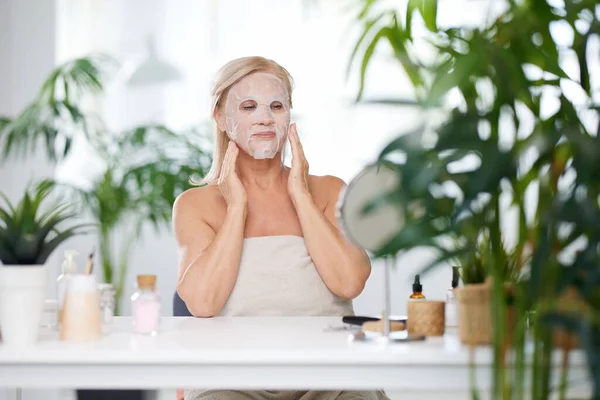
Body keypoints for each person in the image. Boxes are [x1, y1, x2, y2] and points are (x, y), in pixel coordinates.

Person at [172, 56, 388, 400]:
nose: (264, 118)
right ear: (221, 118)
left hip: (330, 374)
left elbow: (349, 282)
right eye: (248, 106)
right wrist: (237, 207)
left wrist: (300, 195)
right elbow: (202, 303)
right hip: (231, 378)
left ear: (289, 115)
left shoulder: (330, 190)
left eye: (276, 105)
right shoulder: (195, 205)